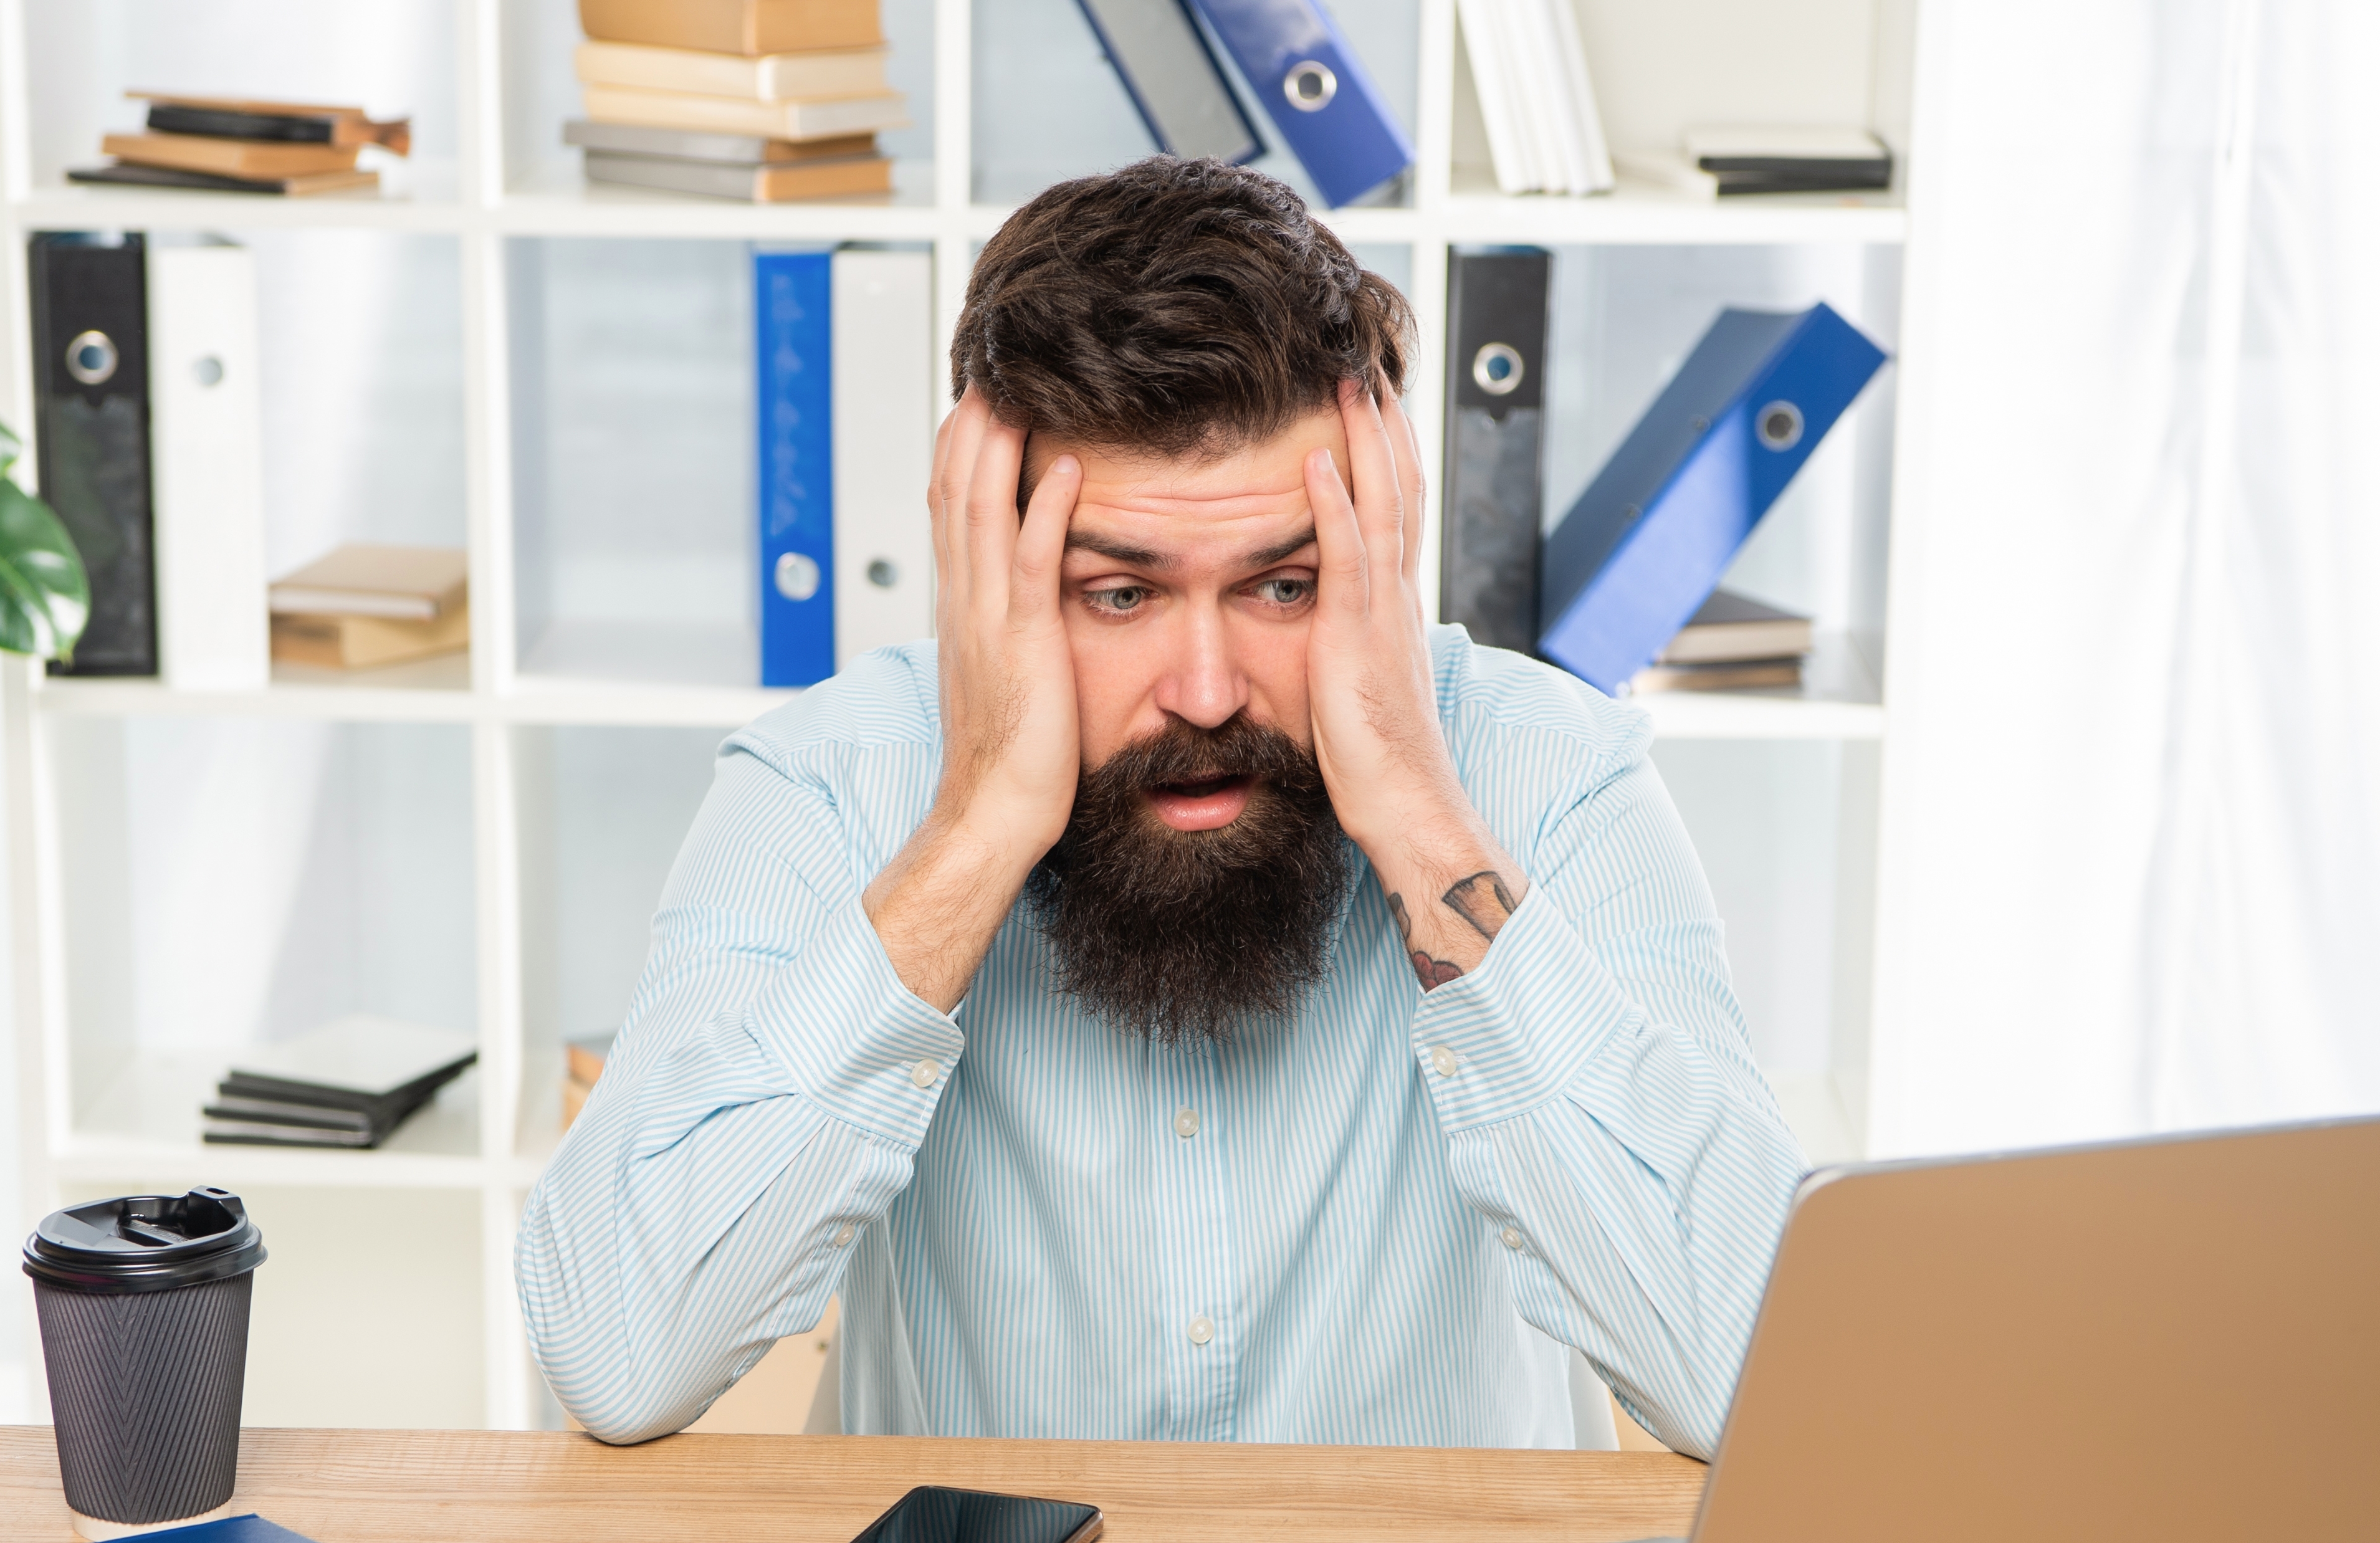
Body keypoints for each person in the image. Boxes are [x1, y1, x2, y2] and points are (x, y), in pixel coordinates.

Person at [519, 156, 1805, 1453]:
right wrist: (971, 834)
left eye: (1284, 585)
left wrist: (1418, 813)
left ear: (1382, 544)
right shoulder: (831, 777)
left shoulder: (1551, 771)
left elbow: (1755, 1372)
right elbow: (619, 1355)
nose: (1202, 691)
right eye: (1119, 594)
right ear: (987, 567)